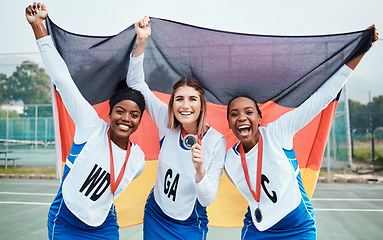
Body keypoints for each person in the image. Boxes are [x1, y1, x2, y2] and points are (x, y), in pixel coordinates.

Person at [224, 26, 379, 239]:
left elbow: (322, 98)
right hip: (258, 230)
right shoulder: (229, 160)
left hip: (298, 229)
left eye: (248, 111)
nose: (241, 117)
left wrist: (361, 50)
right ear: (230, 123)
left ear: (259, 118)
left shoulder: (278, 132)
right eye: (234, 114)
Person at [26, 3, 147, 239]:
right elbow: (62, 80)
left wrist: (141, 42)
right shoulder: (90, 126)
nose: (126, 119)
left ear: (140, 120)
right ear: (110, 113)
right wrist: (38, 26)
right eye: (120, 111)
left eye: (134, 115)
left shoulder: (138, 160)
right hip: (66, 222)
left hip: (104, 225)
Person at [127, 16, 226, 239]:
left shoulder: (216, 141)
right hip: (156, 214)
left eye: (192, 99)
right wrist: (142, 41)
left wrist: (200, 169)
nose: (185, 105)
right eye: (179, 99)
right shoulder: (166, 119)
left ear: (201, 105)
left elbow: (207, 199)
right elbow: (136, 84)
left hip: (189, 223)